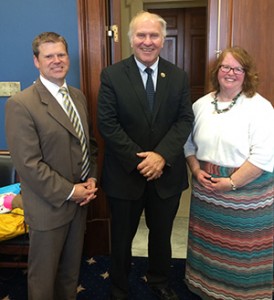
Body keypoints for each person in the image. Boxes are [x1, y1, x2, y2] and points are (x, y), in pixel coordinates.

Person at [97, 11, 194, 300]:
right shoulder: (112, 75)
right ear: (131, 39)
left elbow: (184, 120)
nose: (147, 41)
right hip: (125, 175)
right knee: (122, 238)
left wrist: (161, 156)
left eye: (154, 35)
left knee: (161, 235)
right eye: (141, 35)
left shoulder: (178, 76)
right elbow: (107, 124)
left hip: (167, 175)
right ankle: (118, 287)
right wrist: (143, 161)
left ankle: (160, 281)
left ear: (163, 40)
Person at [5, 32, 98, 300]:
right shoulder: (21, 104)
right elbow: (29, 164)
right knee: (43, 278)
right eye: (49, 56)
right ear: (37, 61)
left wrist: (91, 179)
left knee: (70, 272)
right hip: (48, 207)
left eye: (61, 54)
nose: (56, 60)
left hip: (80, 203)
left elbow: (88, 144)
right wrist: (71, 191)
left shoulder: (77, 96)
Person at [184, 46, 274, 300]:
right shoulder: (200, 104)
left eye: (238, 68)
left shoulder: (260, 107)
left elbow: (264, 156)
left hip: (247, 193)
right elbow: (188, 145)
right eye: (225, 66)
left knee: (243, 254)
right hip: (207, 192)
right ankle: (207, 289)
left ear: (247, 74)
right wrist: (195, 169)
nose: (230, 72)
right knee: (209, 249)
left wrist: (232, 183)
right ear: (217, 71)